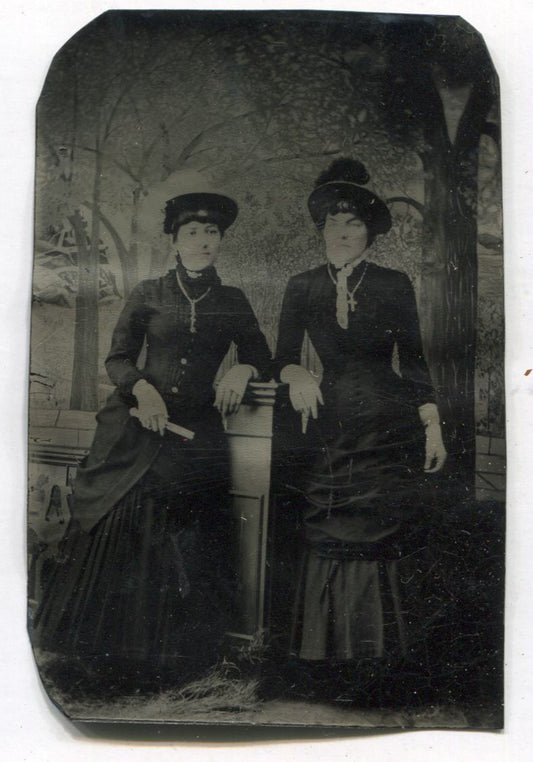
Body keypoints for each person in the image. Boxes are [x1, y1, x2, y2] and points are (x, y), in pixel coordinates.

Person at [32, 175, 272, 694]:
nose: (203, 241)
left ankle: (169, 662)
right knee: (126, 525)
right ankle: (106, 655)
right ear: (175, 239)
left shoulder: (232, 298)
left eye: (212, 232)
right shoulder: (148, 293)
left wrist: (242, 371)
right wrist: (141, 389)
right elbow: (117, 357)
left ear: (221, 240)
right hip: (138, 427)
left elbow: (262, 355)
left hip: (196, 438)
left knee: (185, 537)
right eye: (193, 232)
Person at [272, 158, 447, 702]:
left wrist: (432, 424)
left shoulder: (394, 284)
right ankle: (324, 664)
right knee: (329, 530)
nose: (341, 234)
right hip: (329, 424)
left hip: (387, 425)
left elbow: (414, 361)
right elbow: (280, 355)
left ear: (369, 233)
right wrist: (297, 372)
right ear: (321, 230)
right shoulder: (301, 285)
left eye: (351, 225)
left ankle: (376, 667)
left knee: (379, 533)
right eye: (331, 224)